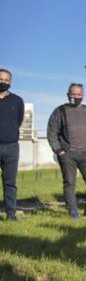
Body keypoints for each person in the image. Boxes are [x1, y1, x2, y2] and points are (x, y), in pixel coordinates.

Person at [47, 83, 86, 219]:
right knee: (70, 182)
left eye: (78, 95)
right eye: (73, 94)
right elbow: (52, 131)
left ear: (82, 96)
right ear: (68, 95)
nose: (75, 97)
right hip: (68, 153)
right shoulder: (60, 111)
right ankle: (73, 211)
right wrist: (59, 150)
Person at [0, 69, 23, 221]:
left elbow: (18, 121)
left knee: (10, 182)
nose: (3, 82)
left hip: (11, 147)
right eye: (1, 79)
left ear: (10, 82)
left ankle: (11, 214)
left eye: (6, 80)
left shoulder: (17, 100)